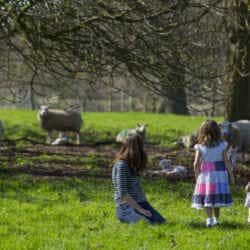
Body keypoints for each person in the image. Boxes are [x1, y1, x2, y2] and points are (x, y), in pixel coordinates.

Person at [112, 133, 165, 224]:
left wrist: (146, 206)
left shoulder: (135, 163)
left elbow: (137, 186)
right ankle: (124, 218)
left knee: (160, 221)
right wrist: (141, 210)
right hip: (125, 206)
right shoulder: (122, 165)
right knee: (147, 224)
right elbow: (123, 194)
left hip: (140, 202)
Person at [192, 120, 234, 227]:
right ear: (218, 131)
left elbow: (196, 164)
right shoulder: (222, 146)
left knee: (207, 197)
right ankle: (217, 219)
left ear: (202, 132)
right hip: (219, 176)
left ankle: (209, 219)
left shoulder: (200, 147)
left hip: (205, 176)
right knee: (216, 198)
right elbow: (227, 161)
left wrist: (197, 177)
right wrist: (231, 175)